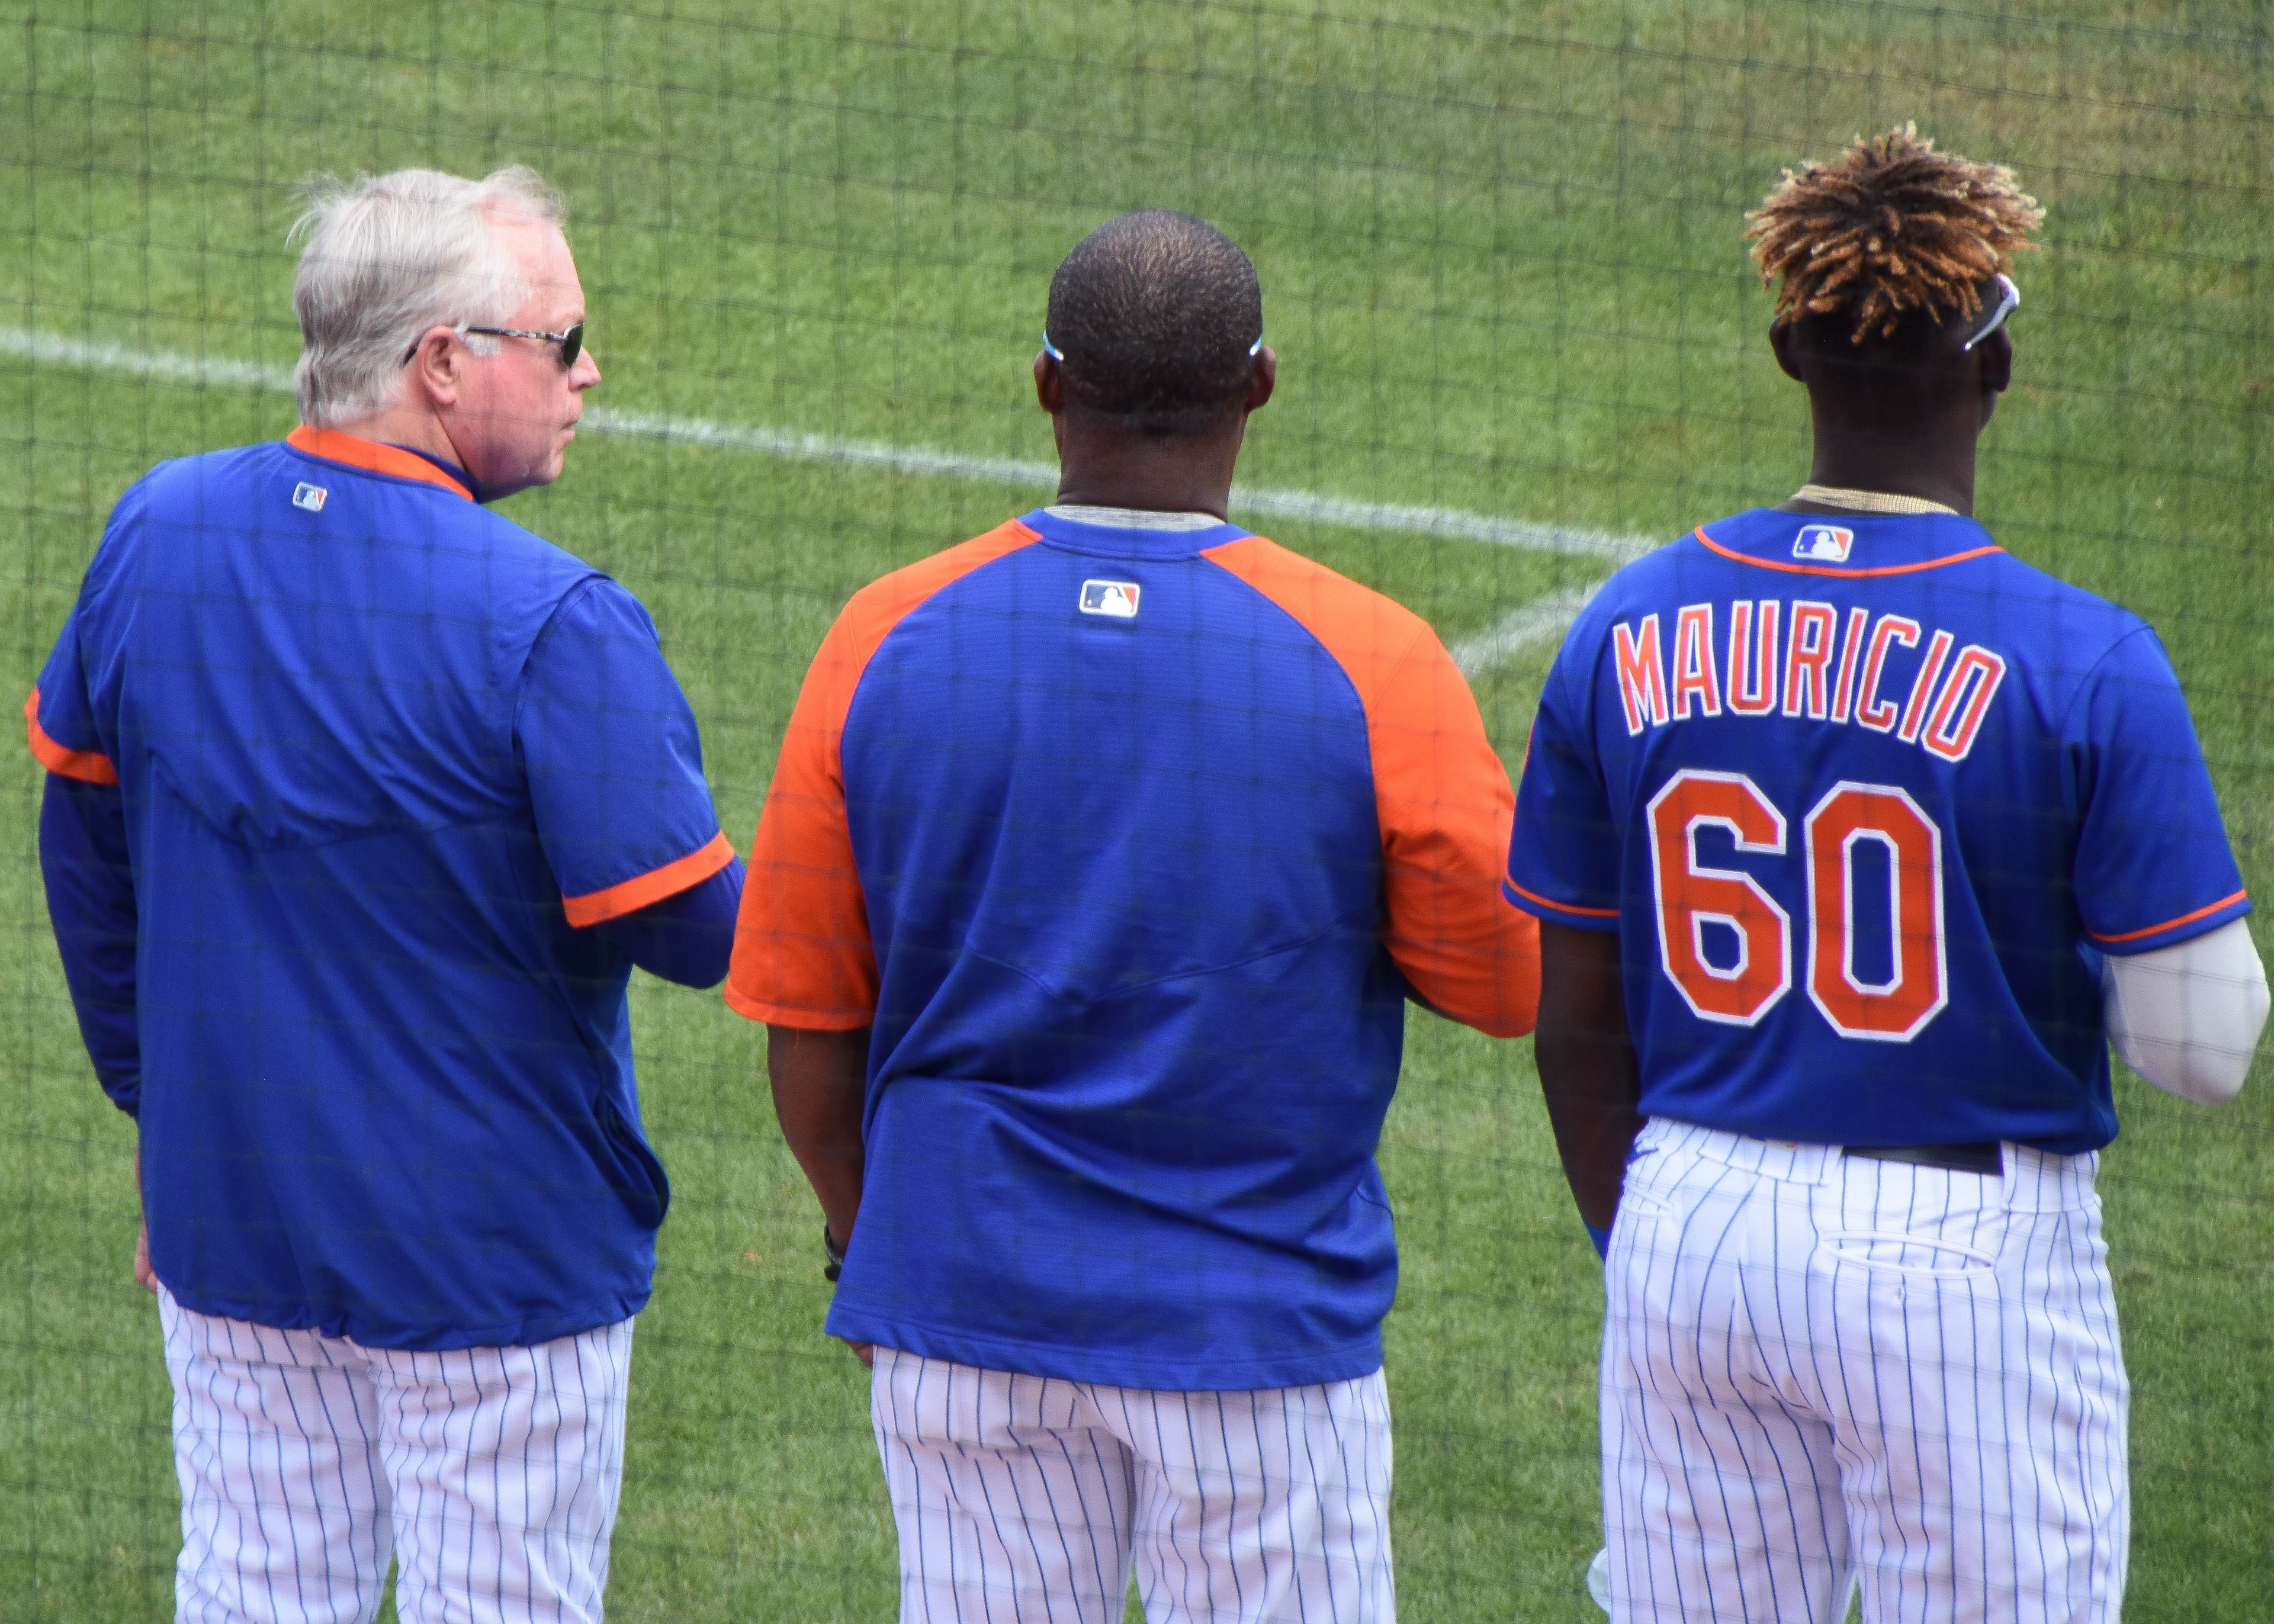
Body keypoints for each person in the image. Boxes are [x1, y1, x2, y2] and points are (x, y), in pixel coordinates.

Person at [725, 209, 1539, 1624]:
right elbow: (1508, 982)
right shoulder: (1375, 657)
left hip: (962, 1314)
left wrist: (872, 1244)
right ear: (1260, 384)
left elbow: (808, 1023)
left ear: (1046, 382)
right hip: (1253, 1337)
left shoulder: (884, 632)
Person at [1502, 126, 2269, 1623]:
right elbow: (2206, 1053)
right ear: (1997, 365)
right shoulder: (2083, 657)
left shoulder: (1627, 622)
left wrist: (1646, 1235)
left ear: (1788, 354)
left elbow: (1573, 1016)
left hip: (1689, 1224)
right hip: (1958, 1256)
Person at [26, 165, 743, 1624]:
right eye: (563, 339)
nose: (590, 372)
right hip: (496, 1265)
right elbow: (692, 929)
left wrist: (168, 1115)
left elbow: (83, 861)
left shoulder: (159, 531)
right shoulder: (553, 621)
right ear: (442, 363)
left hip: (234, 1220)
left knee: (255, 1597)